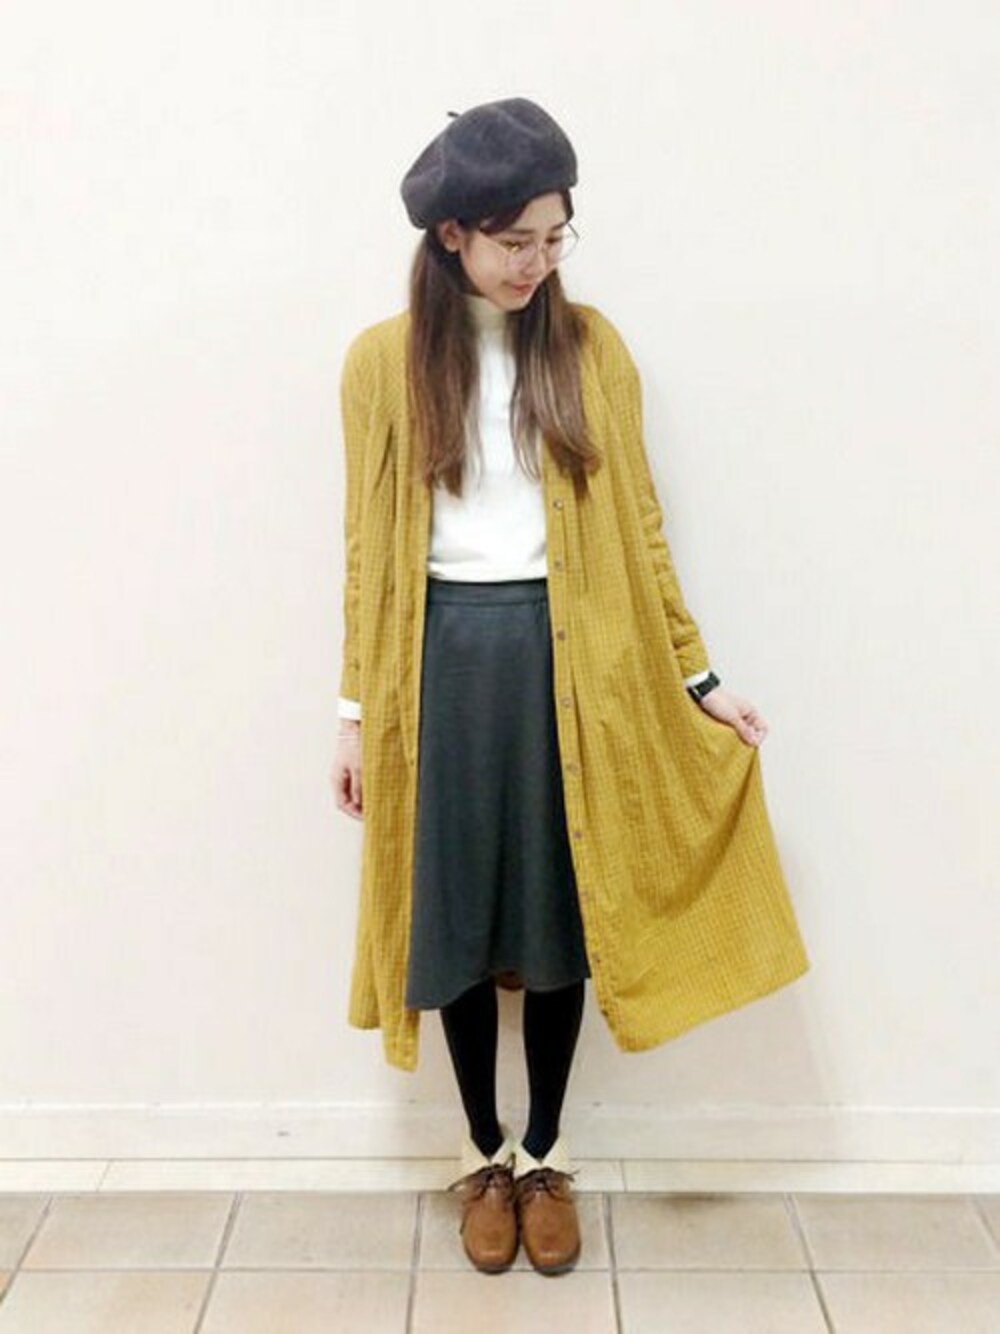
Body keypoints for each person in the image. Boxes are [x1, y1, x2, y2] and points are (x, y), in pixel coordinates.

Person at [330, 97, 809, 1277]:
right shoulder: (381, 363)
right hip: (440, 665)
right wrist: (353, 712)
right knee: (448, 922)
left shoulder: (591, 349)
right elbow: (366, 550)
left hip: (573, 663)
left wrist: (696, 675)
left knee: (557, 918)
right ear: (451, 234)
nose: (535, 263)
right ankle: (480, 1151)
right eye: (513, 241)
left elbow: (639, 525)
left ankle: (544, 1149)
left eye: (554, 238)